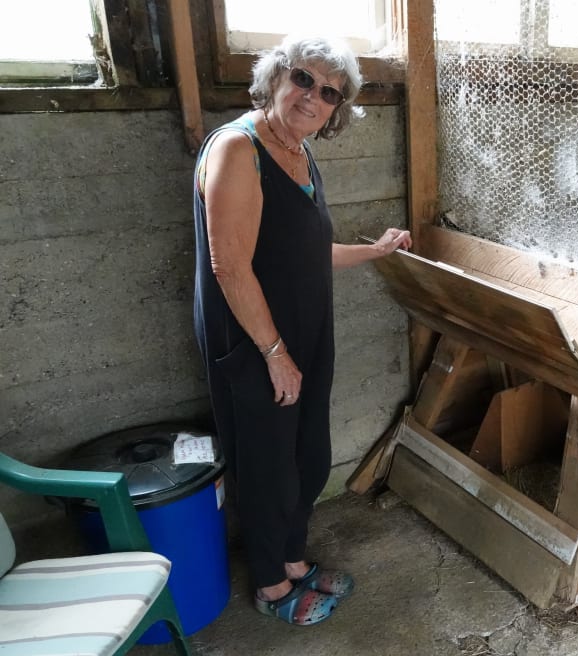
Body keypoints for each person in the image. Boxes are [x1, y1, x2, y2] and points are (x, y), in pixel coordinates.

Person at [192, 34, 411, 626]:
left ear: (337, 110)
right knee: (266, 466)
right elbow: (229, 266)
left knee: (307, 459)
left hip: (303, 333)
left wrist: (377, 254)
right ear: (276, 77)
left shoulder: (299, 151)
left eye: (330, 93)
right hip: (256, 341)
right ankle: (269, 586)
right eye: (304, 79)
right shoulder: (239, 149)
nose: (313, 97)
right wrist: (273, 353)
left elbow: (308, 252)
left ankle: (290, 560)